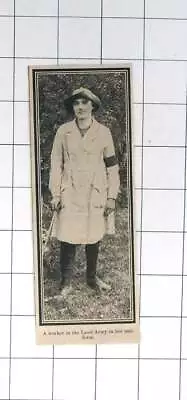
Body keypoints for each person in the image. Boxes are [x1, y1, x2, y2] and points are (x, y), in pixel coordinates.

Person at [49, 87, 120, 295]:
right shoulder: (64, 131)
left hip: (95, 191)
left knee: (94, 234)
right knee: (67, 235)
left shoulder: (103, 133)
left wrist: (111, 196)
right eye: (76, 103)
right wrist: (56, 193)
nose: (80, 107)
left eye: (84, 103)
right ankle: (66, 282)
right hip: (69, 189)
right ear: (73, 107)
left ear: (93, 106)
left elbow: (112, 167)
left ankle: (91, 278)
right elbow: (56, 164)